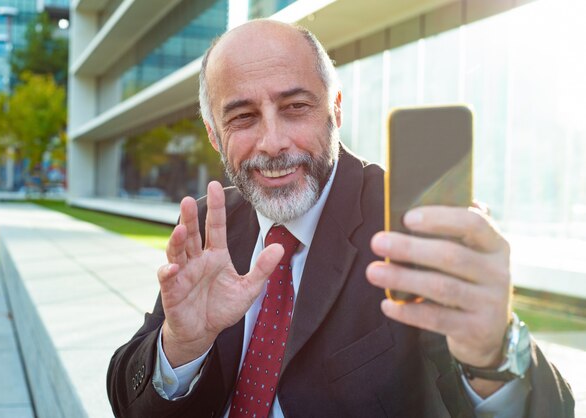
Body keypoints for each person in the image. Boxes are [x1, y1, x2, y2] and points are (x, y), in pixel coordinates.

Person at [107, 20, 573, 418]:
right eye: (243, 117)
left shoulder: (409, 223)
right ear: (213, 135)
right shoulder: (214, 221)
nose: (272, 142)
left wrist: (492, 353)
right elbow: (127, 399)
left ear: (337, 110)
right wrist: (181, 347)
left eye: (295, 108)